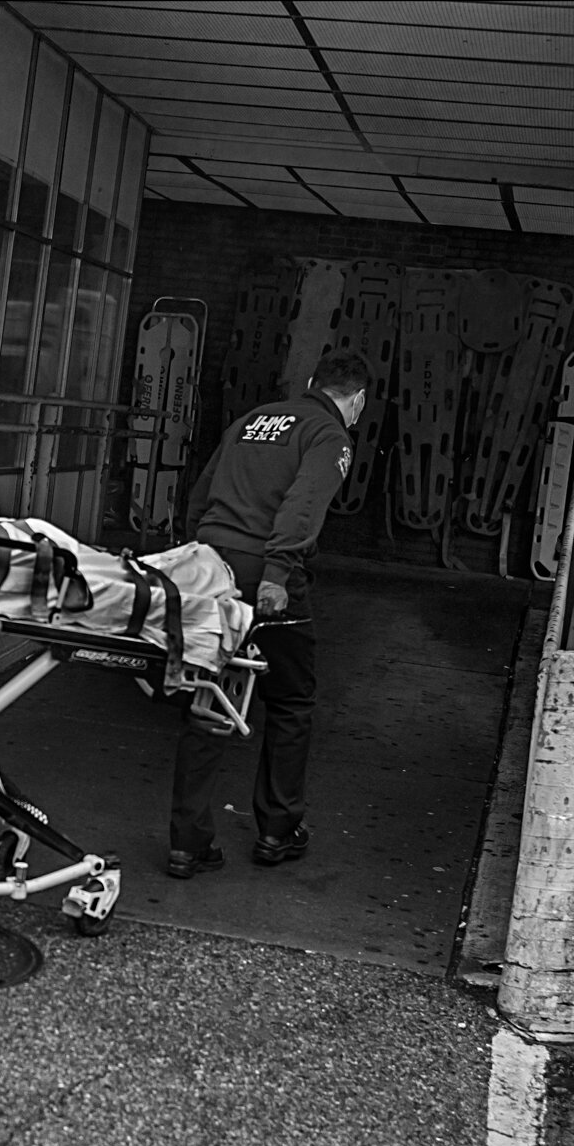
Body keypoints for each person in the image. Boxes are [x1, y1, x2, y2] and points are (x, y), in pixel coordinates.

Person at [166, 350, 370, 875]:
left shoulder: (251, 420)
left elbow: (202, 491)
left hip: (212, 566)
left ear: (309, 382)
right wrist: (278, 573)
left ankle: (188, 842)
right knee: (291, 700)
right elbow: (302, 506)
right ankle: (277, 831)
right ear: (357, 401)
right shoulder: (330, 436)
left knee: (207, 694)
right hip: (267, 577)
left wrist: (199, 555)